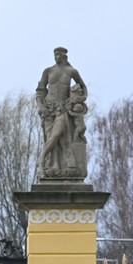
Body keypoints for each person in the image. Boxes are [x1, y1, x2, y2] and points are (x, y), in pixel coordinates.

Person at [36, 46, 88, 178]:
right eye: (55, 55)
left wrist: (80, 98)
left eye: (59, 55)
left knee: (57, 136)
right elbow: (40, 90)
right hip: (48, 110)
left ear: (64, 57)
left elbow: (83, 88)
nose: (56, 57)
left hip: (62, 109)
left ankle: (41, 162)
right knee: (51, 138)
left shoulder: (71, 71)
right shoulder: (48, 71)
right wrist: (40, 106)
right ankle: (54, 166)